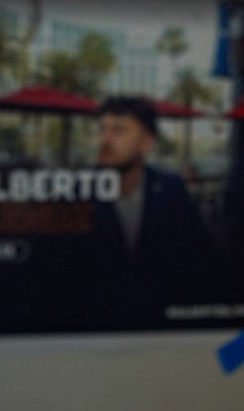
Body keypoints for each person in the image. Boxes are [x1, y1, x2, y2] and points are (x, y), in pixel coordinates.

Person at [90, 95, 223, 328]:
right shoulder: (75, 191)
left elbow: (202, 262)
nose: (105, 140)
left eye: (119, 131)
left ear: (146, 143)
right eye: (102, 130)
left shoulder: (171, 189)